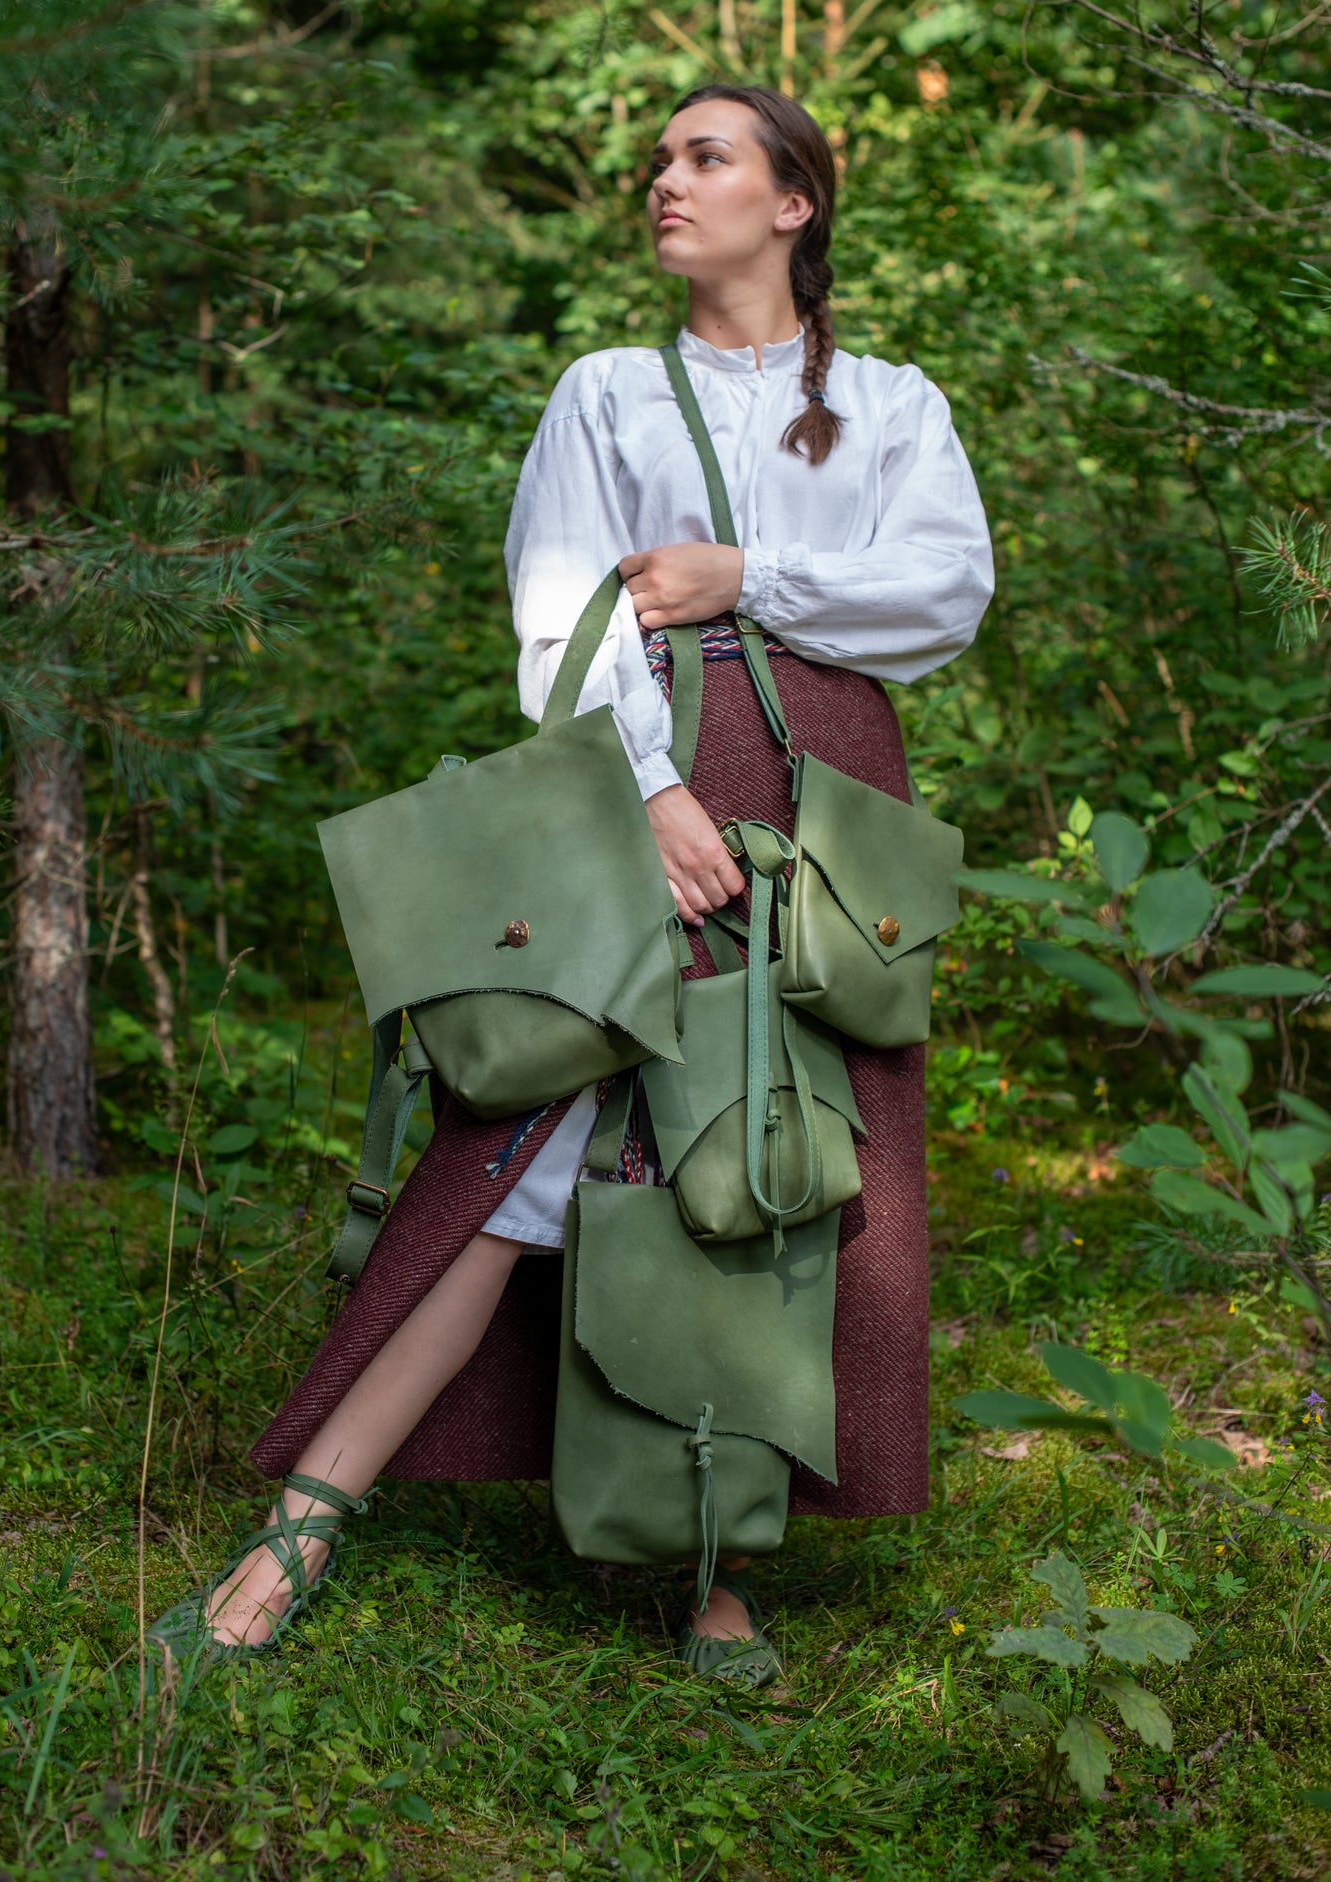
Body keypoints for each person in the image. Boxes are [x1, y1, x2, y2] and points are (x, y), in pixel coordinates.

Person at [148, 83, 994, 1683]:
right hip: (646, 788)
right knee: (525, 1143)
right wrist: (657, 795)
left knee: (764, 1166)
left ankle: (711, 1561)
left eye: (705, 156)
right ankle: (306, 1520)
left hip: (829, 823)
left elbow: (940, 595)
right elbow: (560, 622)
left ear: (792, 202)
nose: (664, 181)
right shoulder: (607, 391)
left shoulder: (888, 404)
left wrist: (752, 577)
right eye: (658, 159)